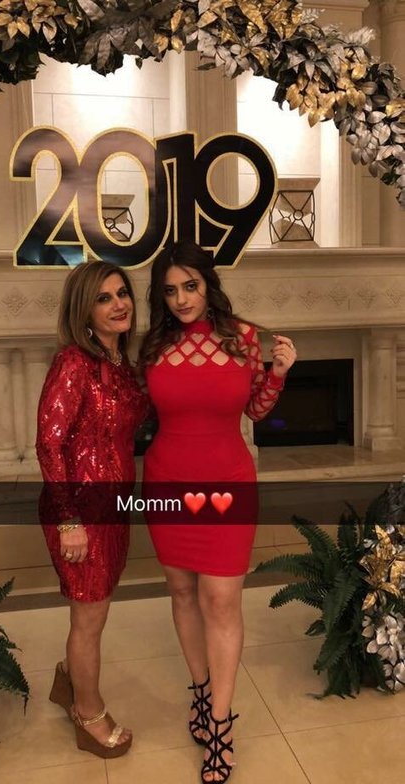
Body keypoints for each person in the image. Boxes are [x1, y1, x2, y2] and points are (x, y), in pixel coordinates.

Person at [139, 242, 296, 783]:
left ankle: (221, 724)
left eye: (191, 286)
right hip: (166, 483)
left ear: (209, 284)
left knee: (222, 600)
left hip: (229, 481)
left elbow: (256, 409)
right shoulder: (153, 345)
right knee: (183, 593)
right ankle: (202, 694)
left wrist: (277, 373)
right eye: (170, 290)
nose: (181, 299)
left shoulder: (244, 338)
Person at [36, 260, 147, 759]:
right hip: (79, 511)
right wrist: (70, 521)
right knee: (90, 617)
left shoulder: (121, 365)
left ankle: (68, 681)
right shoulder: (73, 363)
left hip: (114, 506)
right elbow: (49, 443)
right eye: (104, 298)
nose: (119, 304)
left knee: (94, 610)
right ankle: (88, 712)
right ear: (84, 311)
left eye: (122, 293)